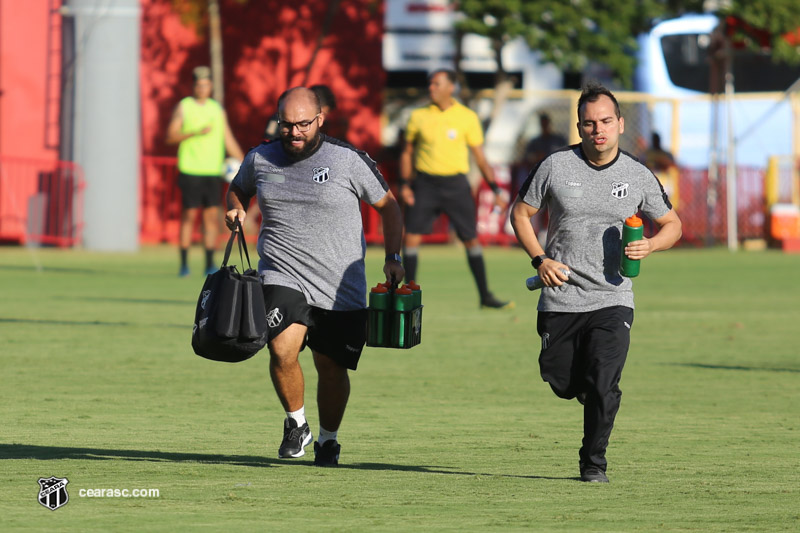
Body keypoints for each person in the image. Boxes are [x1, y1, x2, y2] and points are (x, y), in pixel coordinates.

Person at [510, 81, 682, 483]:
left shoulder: (638, 175)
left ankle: (593, 464)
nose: (597, 130)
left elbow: (672, 224)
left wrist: (652, 245)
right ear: (579, 127)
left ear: (620, 124)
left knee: (605, 383)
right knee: (563, 381)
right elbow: (521, 214)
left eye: (605, 121)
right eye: (589, 123)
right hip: (561, 298)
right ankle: (589, 389)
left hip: (613, 298)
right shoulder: (555, 166)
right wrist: (540, 259)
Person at [225, 87, 405, 466]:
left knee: (331, 367)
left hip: (341, 283)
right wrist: (236, 209)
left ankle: (328, 439)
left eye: (303, 124)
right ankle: (296, 423)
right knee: (280, 347)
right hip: (282, 271)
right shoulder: (261, 158)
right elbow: (238, 189)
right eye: (286, 125)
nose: (293, 132)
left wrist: (392, 256)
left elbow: (388, 207)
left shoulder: (348, 160)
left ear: (320, 119)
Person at [399, 68, 512, 309]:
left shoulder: (467, 117)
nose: (431, 88)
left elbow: (480, 158)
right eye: (430, 84)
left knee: (471, 239)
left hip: (456, 185)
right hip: (426, 183)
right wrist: (405, 184)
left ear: (451, 87)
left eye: (437, 84)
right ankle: (409, 293)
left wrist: (495, 188)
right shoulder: (418, 116)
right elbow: (407, 152)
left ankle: (485, 296)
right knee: (410, 237)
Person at [166, 66, 244, 277]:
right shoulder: (185, 107)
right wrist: (194, 133)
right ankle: (184, 264)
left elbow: (228, 139)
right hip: (190, 170)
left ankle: (209, 264)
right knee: (189, 216)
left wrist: (246, 162)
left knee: (211, 217)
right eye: (199, 85)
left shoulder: (217, 110)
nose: (203, 88)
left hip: (212, 172)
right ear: (193, 86)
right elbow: (170, 136)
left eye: (207, 84)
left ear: (211, 86)